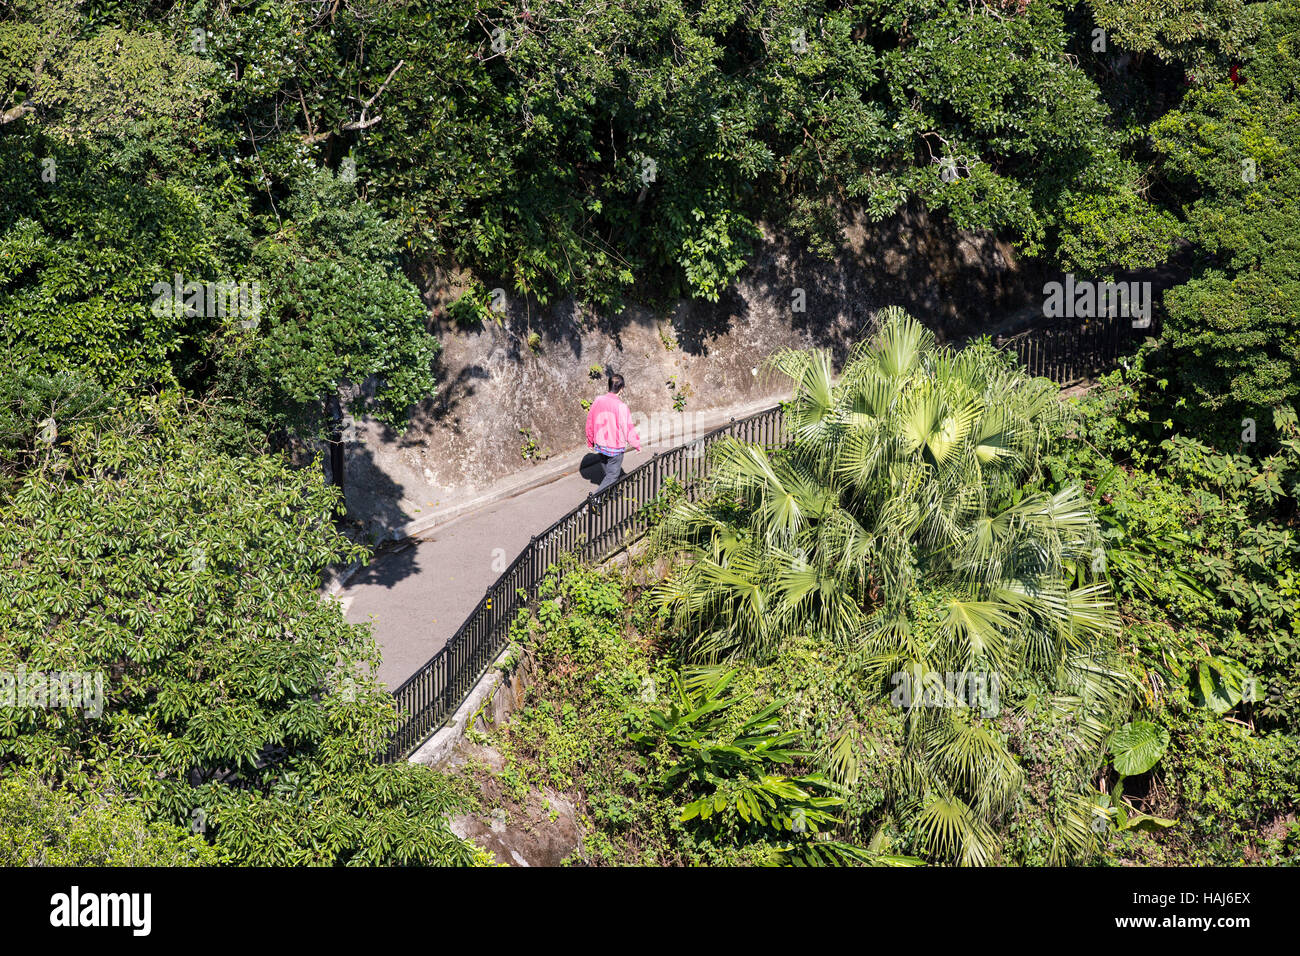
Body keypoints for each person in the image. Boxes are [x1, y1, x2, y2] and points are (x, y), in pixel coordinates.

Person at [585, 371, 642, 504]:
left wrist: (590, 439)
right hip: (614, 447)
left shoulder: (598, 400)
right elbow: (627, 428)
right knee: (612, 475)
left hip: (600, 444)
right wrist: (636, 444)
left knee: (608, 472)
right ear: (621, 389)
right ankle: (595, 499)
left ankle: (610, 491)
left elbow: (590, 420)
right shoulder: (621, 406)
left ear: (609, 386)